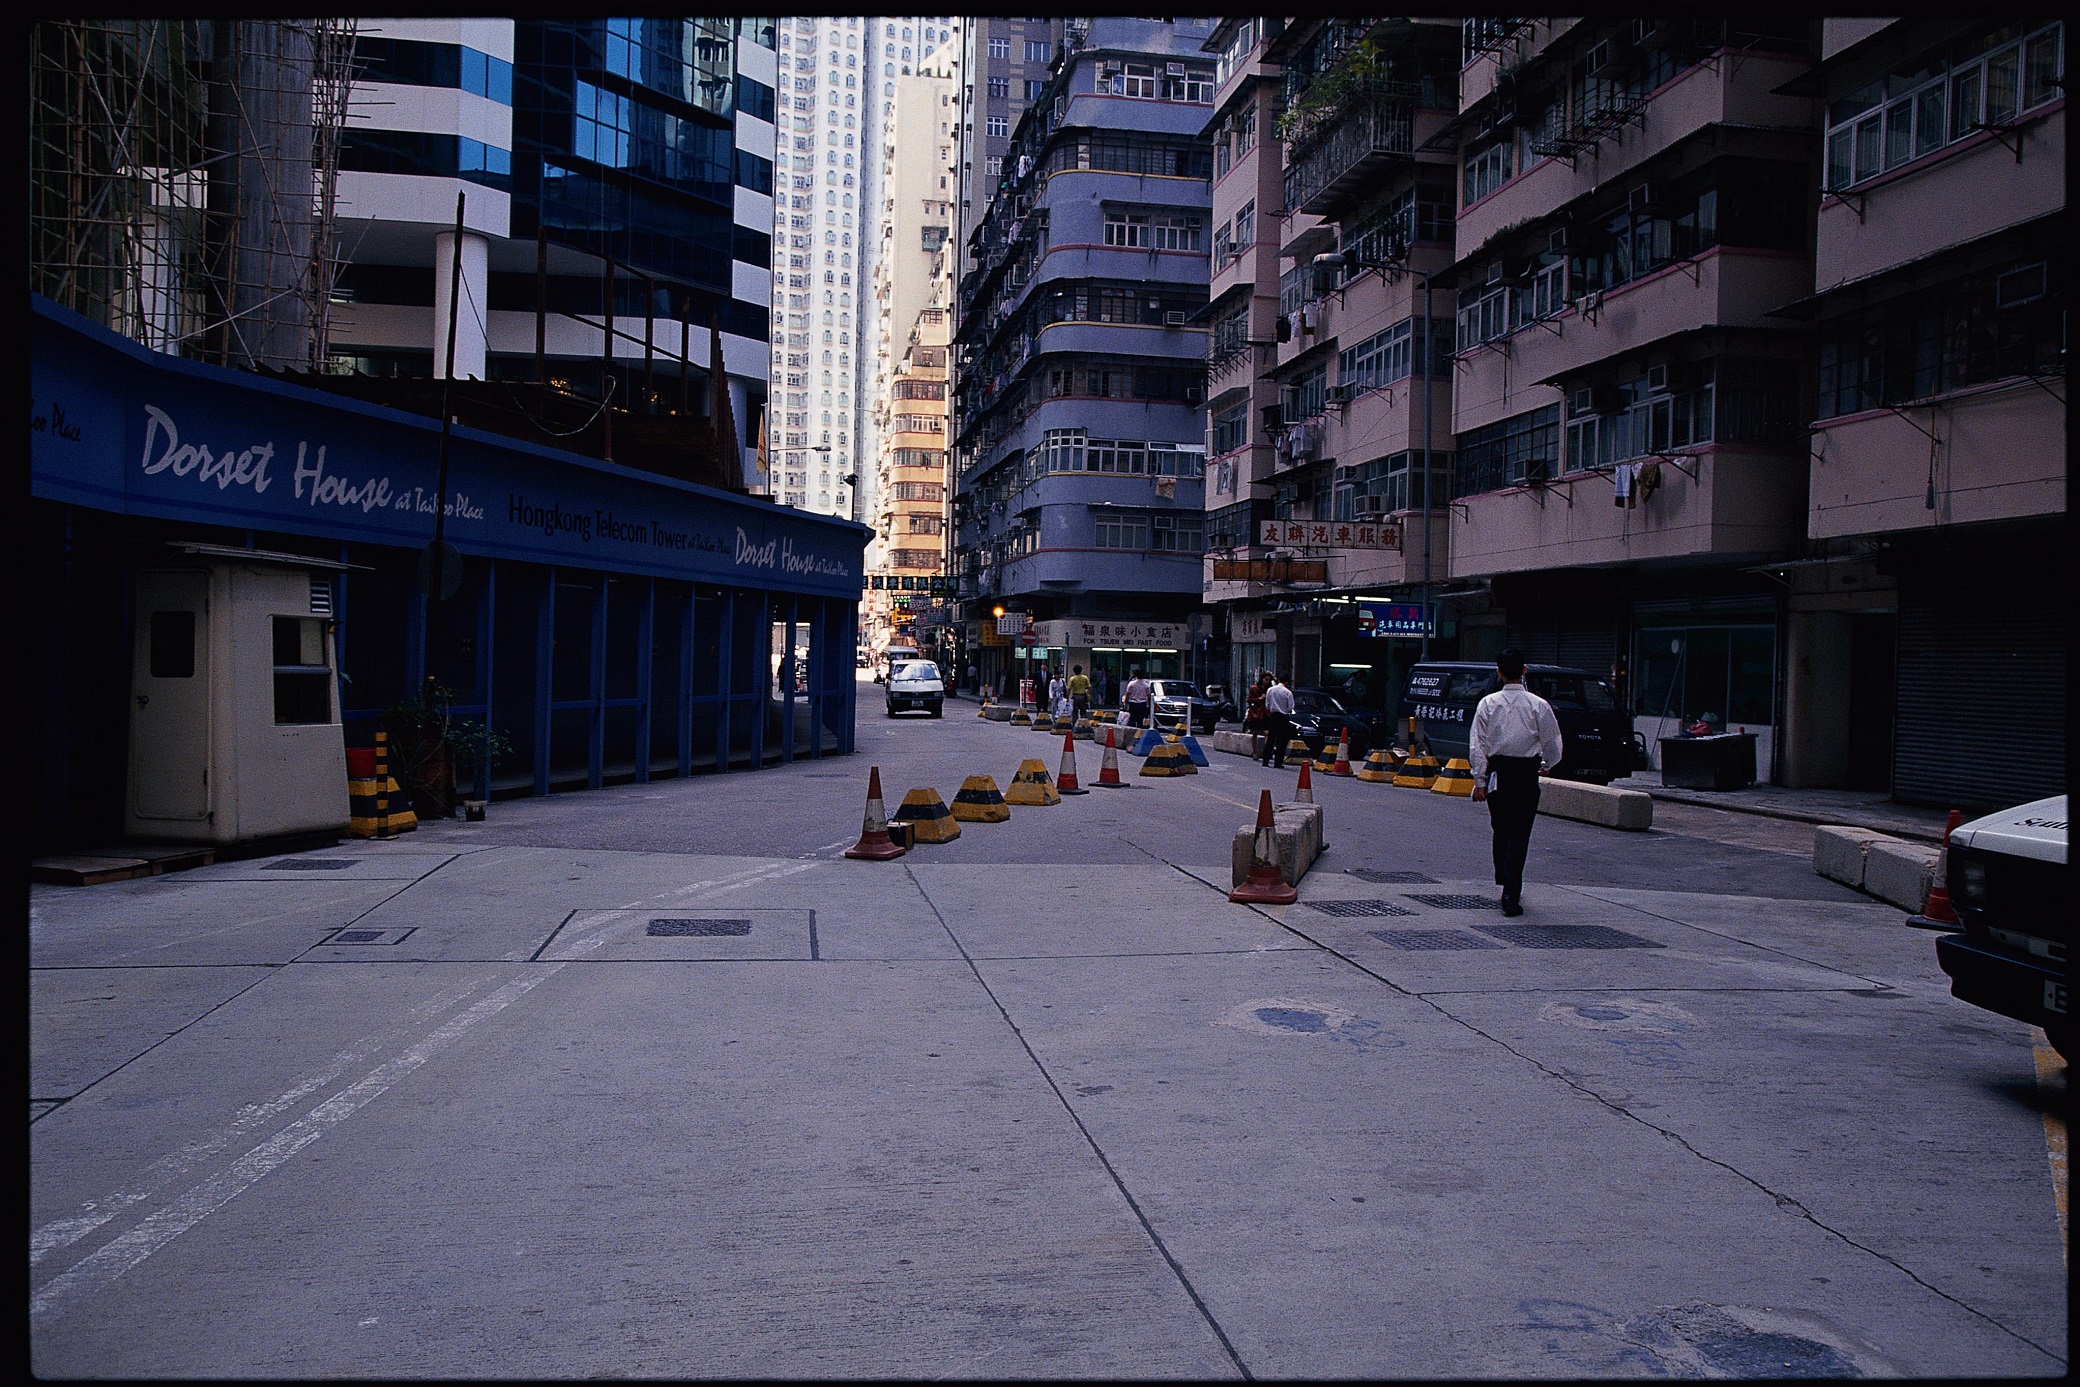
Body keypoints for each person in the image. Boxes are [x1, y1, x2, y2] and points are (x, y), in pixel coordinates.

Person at [1469, 648, 1565, 917]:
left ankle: (1505, 879)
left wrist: (1480, 779)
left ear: (1498, 673)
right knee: (1520, 832)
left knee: (1501, 827)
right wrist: (1547, 764)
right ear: (1524, 670)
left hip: (1498, 771)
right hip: (1525, 772)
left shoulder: (1487, 704)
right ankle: (1511, 890)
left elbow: (1478, 745)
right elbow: (1552, 741)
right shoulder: (1538, 705)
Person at [1260, 672, 1295, 767]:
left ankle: (1265, 760)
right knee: (1282, 740)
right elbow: (1290, 707)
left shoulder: (1270, 690)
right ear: (1287, 682)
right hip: (1284, 717)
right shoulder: (1288, 692)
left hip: (1273, 716)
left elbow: (1267, 705)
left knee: (1271, 738)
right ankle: (1278, 762)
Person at [1244, 671, 1271, 761]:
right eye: (1265, 679)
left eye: (1268, 680)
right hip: (1256, 713)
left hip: (1266, 712)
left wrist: (1273, 676)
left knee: (1266, 732)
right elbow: (1249, 699)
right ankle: (1255, 752)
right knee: (1255, 732)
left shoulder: (1270, 689)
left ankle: (1266, 752)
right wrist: (1260, 698)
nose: (1267, 681)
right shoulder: (1254, 688)